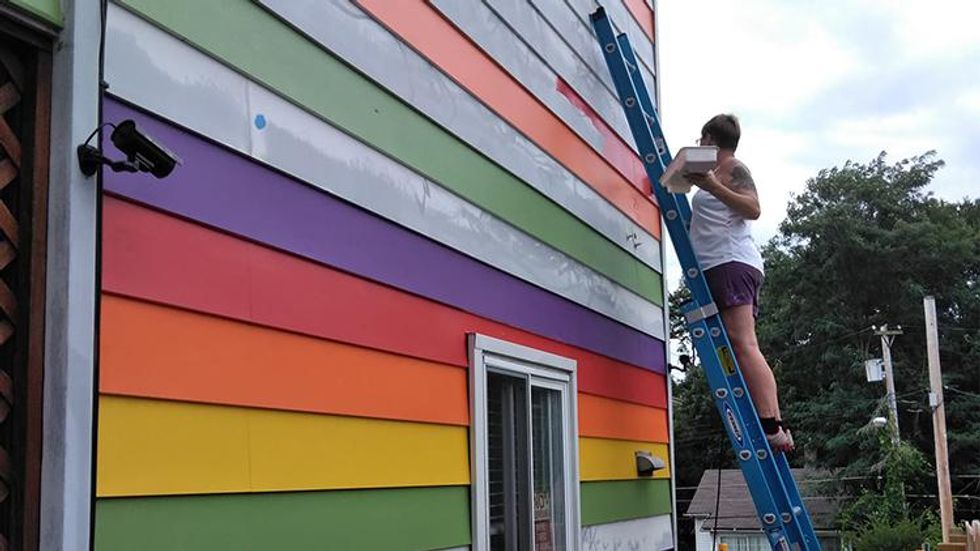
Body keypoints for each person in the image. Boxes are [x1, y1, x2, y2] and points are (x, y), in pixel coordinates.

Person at [684, 114, 794, 452]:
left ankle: (771, 424)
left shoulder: (732, 168)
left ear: (709, 139)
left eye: (702, 140)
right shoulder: (715, 173)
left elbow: (754, 208)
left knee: (744, 342)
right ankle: (772, 422)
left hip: (730, 262)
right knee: (740, 343)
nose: (700, 145)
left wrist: (713, 187)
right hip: (721, 263)